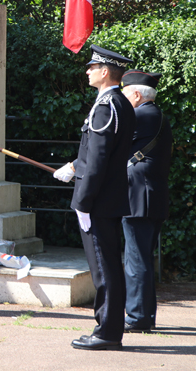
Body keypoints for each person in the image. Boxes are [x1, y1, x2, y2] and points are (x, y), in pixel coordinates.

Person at [53, 45, 135, 350]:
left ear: (105, 72)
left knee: (103, 267)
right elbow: (98, 153)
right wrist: (75, 166)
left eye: (92, 67)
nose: (87, 71)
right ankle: (109, 328)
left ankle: (107, 332)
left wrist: (84, 203)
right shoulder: (119, 103)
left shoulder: (105, 106)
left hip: (98, 201)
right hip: (108, 198)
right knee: (109, 264)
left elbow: (100, 160)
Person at [120, 70, 173, 333]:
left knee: (135, 261)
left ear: (137, 95)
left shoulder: (140, 116)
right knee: (142, 259)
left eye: (125, 94)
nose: (122, 101)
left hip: (139, 198)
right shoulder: (157, 115)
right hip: (152, 197)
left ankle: (137, 317)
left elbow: (110, 145)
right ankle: (144, 315)